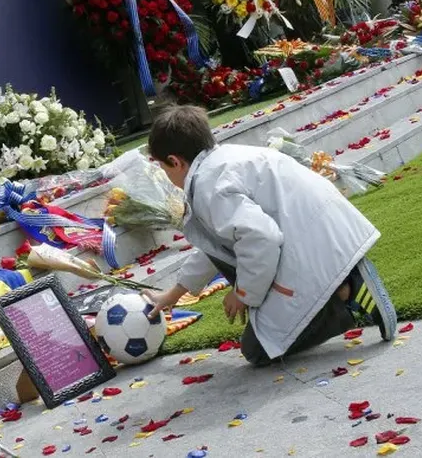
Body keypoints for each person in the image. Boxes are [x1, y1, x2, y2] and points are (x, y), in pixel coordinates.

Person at [143, 104, 396, 365]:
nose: (166, 175)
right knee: (265, 328)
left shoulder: (208, 185)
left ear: (175, 161)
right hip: (335, 237)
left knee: (257, 350)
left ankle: (347, 294)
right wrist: (174, 295)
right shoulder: (226, 157)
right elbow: (216, 245)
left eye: (164, 168)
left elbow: (263, 238)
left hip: (313, 255)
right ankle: (344, 282)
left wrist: (243, 294)